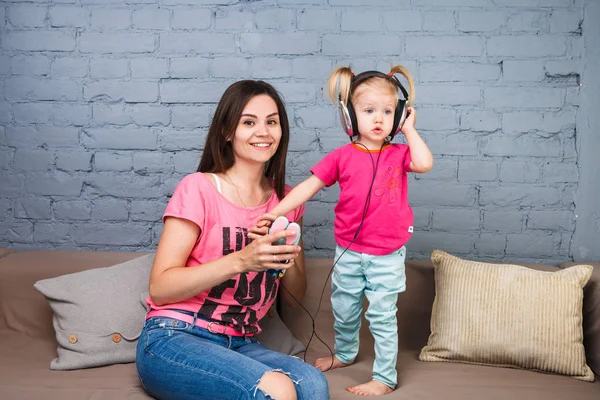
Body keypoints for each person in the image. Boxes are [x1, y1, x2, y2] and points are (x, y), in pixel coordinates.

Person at [135, 80, 330, 400]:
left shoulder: (288, 200)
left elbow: (294, 301)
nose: (263, 132)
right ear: (227, 131)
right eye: (249, 122)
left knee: (312, 384)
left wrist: (287, 255)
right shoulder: (198, 188)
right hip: (174, 336)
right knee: (277, 388)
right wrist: (244, 259)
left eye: (272, 122)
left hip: (240, 343)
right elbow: (160, 287)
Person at [252, 65, 434, 396]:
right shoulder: (342, 157)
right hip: (348, 251)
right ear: (349, 117)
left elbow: (424, 163)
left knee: (382, 318)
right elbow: (308, 186)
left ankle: (384, 377)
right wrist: (275, 211)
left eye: (388, 111)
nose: (379, 119)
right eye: (368, 111)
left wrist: (409, 130)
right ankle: (346, 353)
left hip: (387, 255)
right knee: (345, 309)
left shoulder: (400, 154)